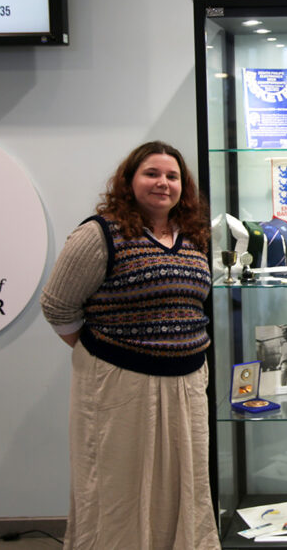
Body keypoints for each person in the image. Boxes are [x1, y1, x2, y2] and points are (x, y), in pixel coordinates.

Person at [40, 141, 220, 550]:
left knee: (184, 486)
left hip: (187, 384)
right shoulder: (100, 233)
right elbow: (57, 305)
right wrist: (107, 356)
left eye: (172, 176)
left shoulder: (192, 238)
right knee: (118, 488)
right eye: (152, 174)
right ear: (129, 181)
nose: (163, 183)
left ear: (183, 187)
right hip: (121, 387)